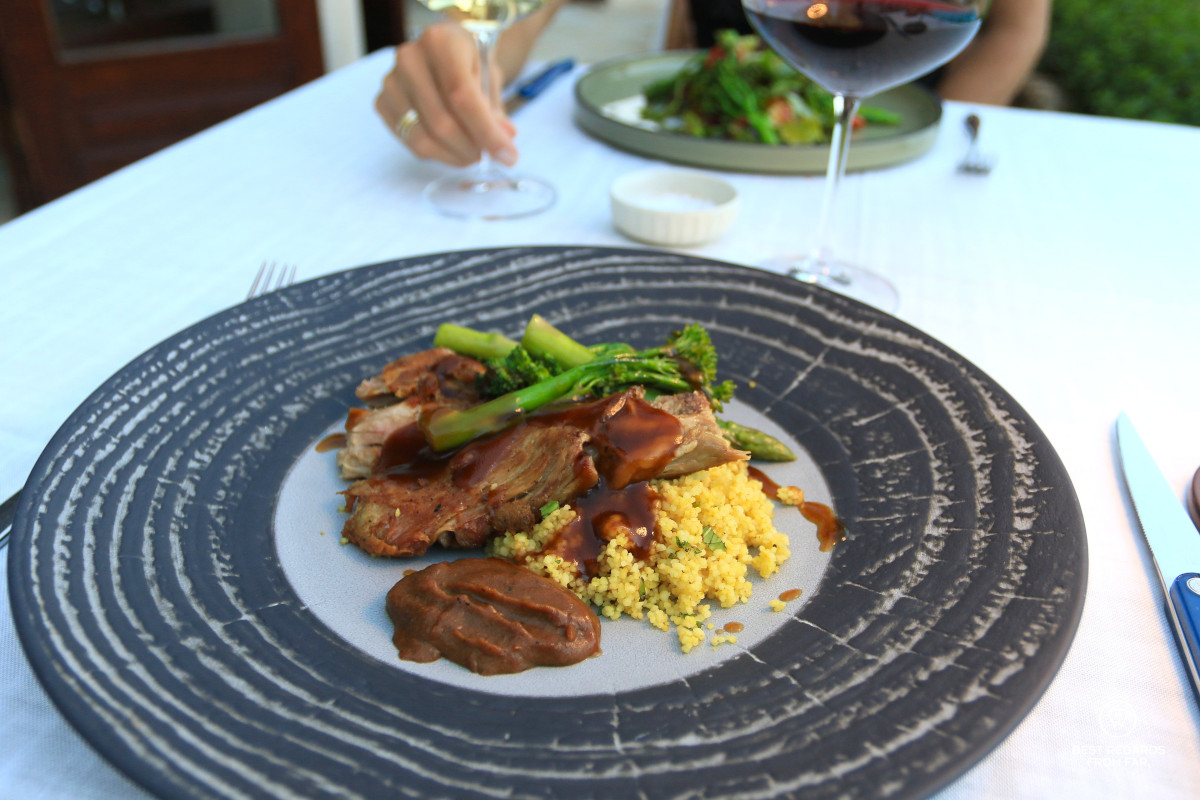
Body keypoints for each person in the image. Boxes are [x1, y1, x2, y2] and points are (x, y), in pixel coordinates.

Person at [376, 0, 1050, 168]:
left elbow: (1014, 26)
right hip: (708, 151)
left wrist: (932, 133)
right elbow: (528, 14)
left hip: (892, 154)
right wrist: (473, 44)